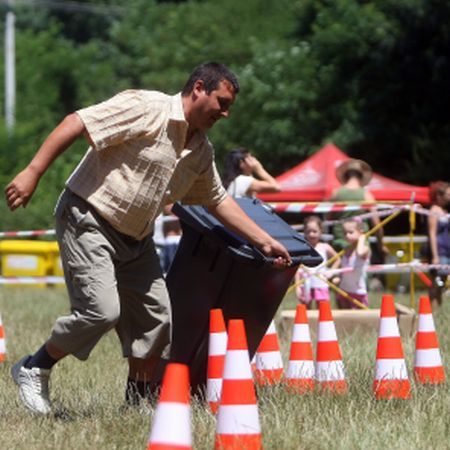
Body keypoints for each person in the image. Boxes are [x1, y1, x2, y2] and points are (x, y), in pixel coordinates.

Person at [5, 62, 292, 416]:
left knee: (157, 320)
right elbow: (77, 122)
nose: (226, 112)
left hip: (136, 239)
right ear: (199, 88)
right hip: (88, 217)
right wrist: (33, 171)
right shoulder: (147, 107)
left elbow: (216, 199)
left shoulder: (201, 150)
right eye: (222, 101)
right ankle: (35, 367)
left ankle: (137, 404)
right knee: (100, 312)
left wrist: (263, 240)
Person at [329, 159, 385, 258]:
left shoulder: (335, 194)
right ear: (361, 177)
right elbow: (377, 224)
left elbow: (328, 220)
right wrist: (381, 246)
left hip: (340, 243)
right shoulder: (367, 195)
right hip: (361, 245)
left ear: (345, 176)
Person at [294, 215, 340, 309]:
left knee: (323, 308)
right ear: (304, 232)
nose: (311, 234)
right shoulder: (303, 248)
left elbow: (338, 259)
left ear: (320, 232)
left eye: (314, 231)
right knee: (306, 308)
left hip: (321, 283)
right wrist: (297, 286)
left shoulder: (325, 247)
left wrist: (331, 271)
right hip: (306, 283)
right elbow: (298, 269)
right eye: (308, 231)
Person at [334, 218, 371, 309]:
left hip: (358, 292)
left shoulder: (365, 249)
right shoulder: (347, 249)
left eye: (351, 232)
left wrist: (362, 238)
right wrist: (338, 277)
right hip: (344, 290)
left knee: (359, 319)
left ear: (360, 232)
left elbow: (359, 253)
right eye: (345, 233)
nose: (347, 235)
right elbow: (343, 267)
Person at [427, 181, 450, 306]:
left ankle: (438, 308)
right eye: (447, 194)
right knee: (436, 281)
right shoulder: (434, 211)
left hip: (447, 249)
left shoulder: (444, 211)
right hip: (439, 250)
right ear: (439, 195)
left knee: (443, 281)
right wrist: (435, 255)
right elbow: (432, 233)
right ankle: (432, 309)